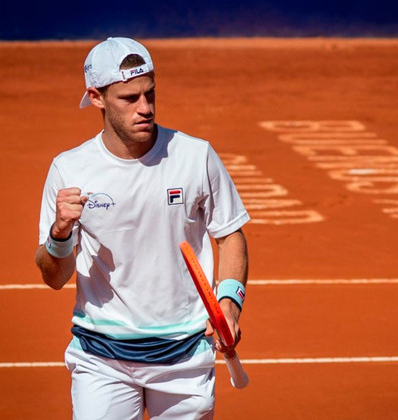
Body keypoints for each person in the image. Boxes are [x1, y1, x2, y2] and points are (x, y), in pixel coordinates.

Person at [35, 37, 250, 420]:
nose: (145, 108)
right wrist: (60, 234)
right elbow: (54, 277)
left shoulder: (195, 156)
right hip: (102, 358)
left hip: (185, 355)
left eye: (150, 93)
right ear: (96, 97)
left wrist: (229, 304)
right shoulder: (69, 170)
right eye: (129, 98)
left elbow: (230, 234)